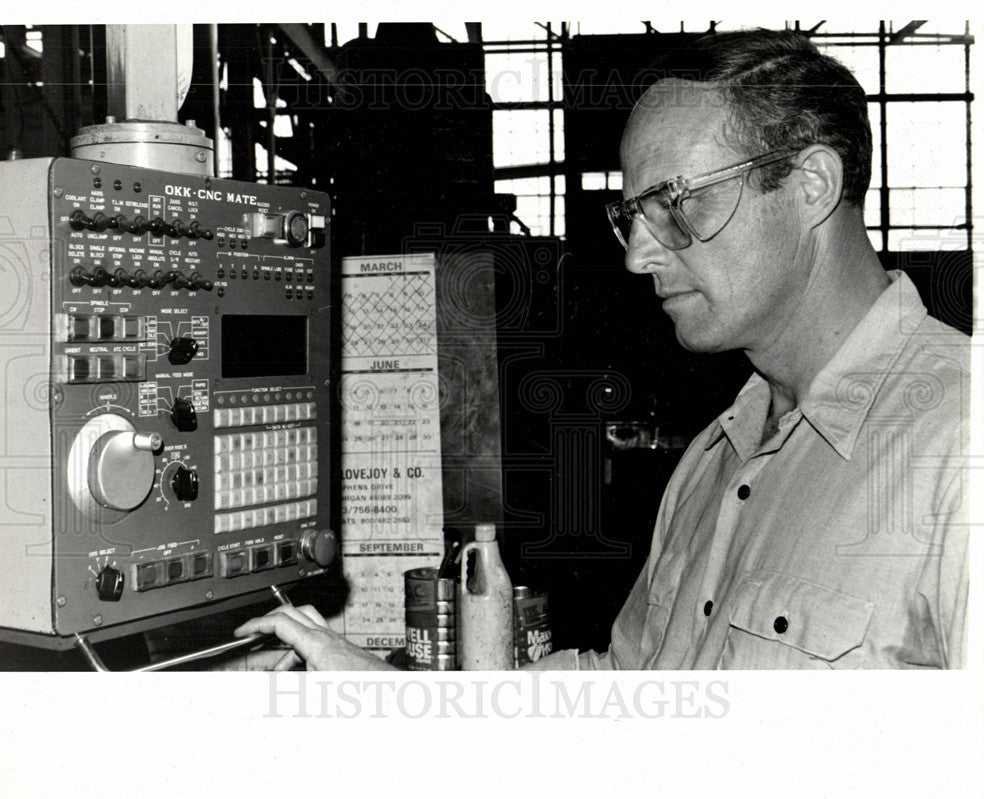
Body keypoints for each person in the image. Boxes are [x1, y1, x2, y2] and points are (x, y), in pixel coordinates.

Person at [235, 28, 970, 670]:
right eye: (633, 215)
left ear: (811, 184)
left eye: (678, 203)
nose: (638, 256)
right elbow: (630, 685)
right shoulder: (715, 461)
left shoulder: (956, 448)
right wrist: (382, 693)